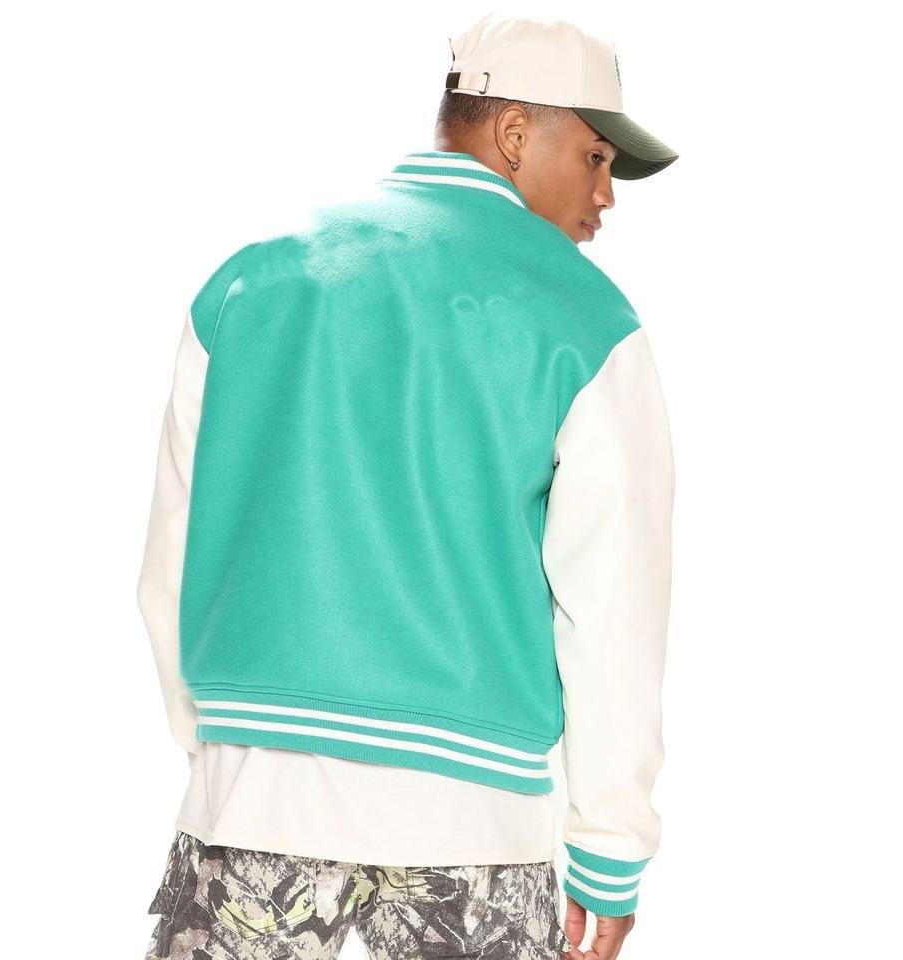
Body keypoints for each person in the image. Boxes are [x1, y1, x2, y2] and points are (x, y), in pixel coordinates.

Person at [136, 13, 677, 960]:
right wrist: (608, 850)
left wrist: (224, 747)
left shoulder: (252, 279)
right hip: (474, 824)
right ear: (515, 133)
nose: (606, 194)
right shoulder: (589, 321)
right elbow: (613, 608)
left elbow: (171, 559)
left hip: (251, 802)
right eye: (595, 158)